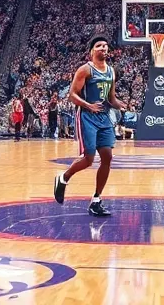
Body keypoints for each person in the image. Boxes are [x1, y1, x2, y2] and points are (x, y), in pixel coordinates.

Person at [53, 36, 126, 216]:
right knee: (89, 158)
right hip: (87, 117)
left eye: (105, 45)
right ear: (92, 51)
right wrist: (88, 105)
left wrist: (120, 104)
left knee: (108, 156)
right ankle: (63, 178)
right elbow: (72, 95)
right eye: (99, 45)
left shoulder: (111, 71)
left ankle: (96, 200)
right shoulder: (85, 70)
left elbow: (111, 98)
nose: (103, 48)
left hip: (104, 118)